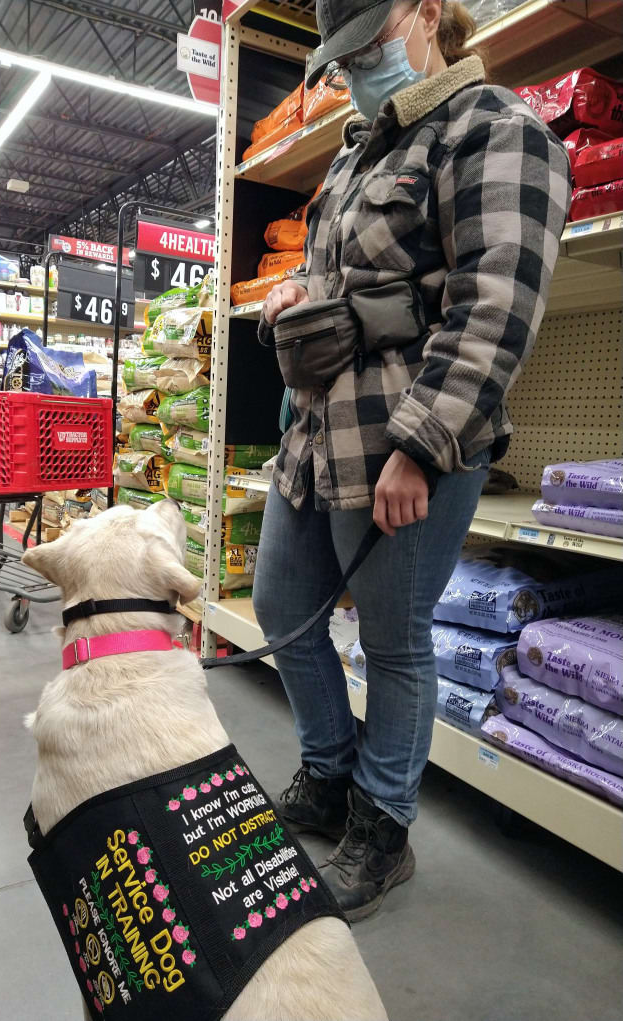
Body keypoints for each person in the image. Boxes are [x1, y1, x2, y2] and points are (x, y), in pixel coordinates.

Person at [253, 0, 571, 921]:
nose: (356, 70)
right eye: (343, 56)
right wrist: (298, 297)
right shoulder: (360, 150)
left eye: (371, 44)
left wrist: (423, 451)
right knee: (280, 602)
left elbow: (494, 308)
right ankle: (329, 769)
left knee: (394, 639)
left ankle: (382, 827)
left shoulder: (500, 132)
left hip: (408, 442)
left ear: (430, 11)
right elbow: (350, 277)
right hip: (315, 433)